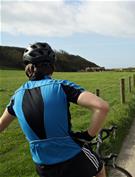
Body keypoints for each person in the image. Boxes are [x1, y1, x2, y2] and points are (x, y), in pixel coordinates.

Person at [0, 42, 109, 177]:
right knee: (99, 168)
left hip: (43, 164)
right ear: (51, 66)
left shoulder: (16, 96)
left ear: (28, 68)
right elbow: (101, 107)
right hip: (72, 156)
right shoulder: (61, 86)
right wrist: (87, 136)